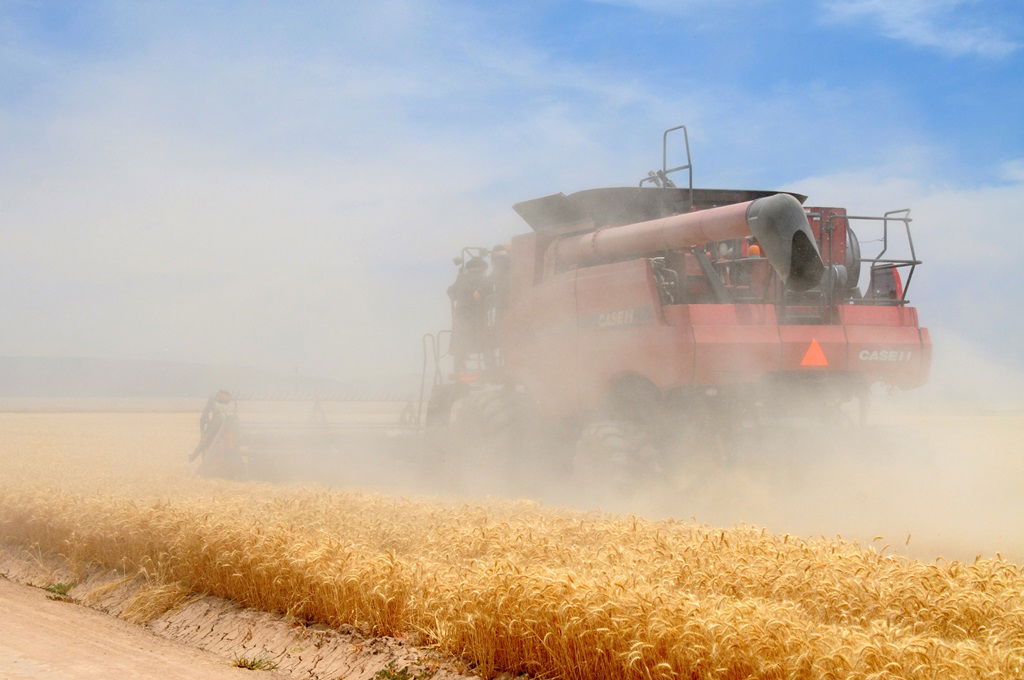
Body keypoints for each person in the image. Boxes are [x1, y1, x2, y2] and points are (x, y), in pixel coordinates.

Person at [447, 256, 490, 370]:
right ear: (482, 268)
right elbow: (489, 294)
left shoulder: (462, 278)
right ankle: (490, 367)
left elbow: (451, 293)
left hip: (461, 316)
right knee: (485, 342)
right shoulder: (484, 280)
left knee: (460, 343)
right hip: (478, 317)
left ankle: (460, 369)